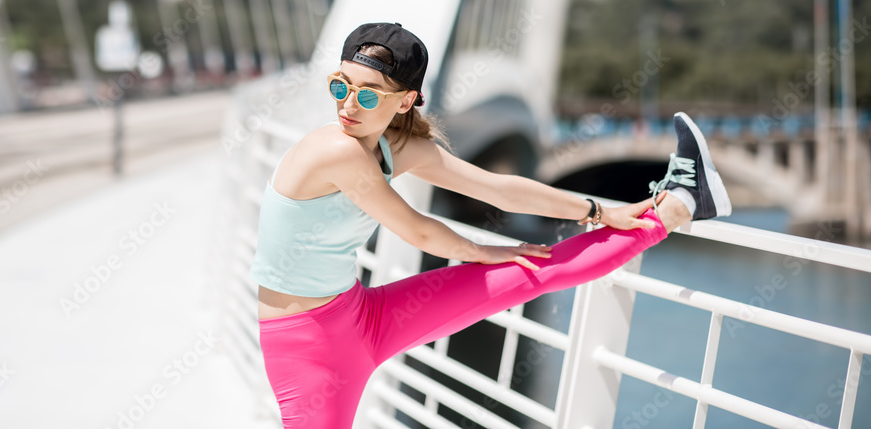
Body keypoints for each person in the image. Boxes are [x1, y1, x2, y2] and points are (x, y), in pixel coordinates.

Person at [248, 21, 731, 428]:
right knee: (517, 262)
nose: (347, 105)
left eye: (368, 95)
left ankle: (679, 204)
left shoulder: (400, 147)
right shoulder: (335, 150)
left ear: (404, 102)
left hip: (362, 314)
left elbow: (500, 189)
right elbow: (415, 231)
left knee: (535, 268)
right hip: (308, 349)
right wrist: (485, 251)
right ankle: (681, 203)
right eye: (341, 86)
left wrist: (599, 211)